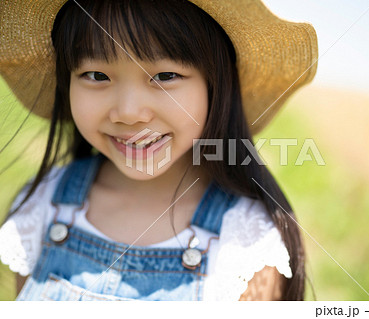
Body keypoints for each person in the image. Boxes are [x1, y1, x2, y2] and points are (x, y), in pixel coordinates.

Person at [0, 0, 318, 300]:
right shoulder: (42, 205)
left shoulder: (245, 242)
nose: (128, 111)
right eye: (96, 75)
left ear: (216, 85)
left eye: (165, 76)